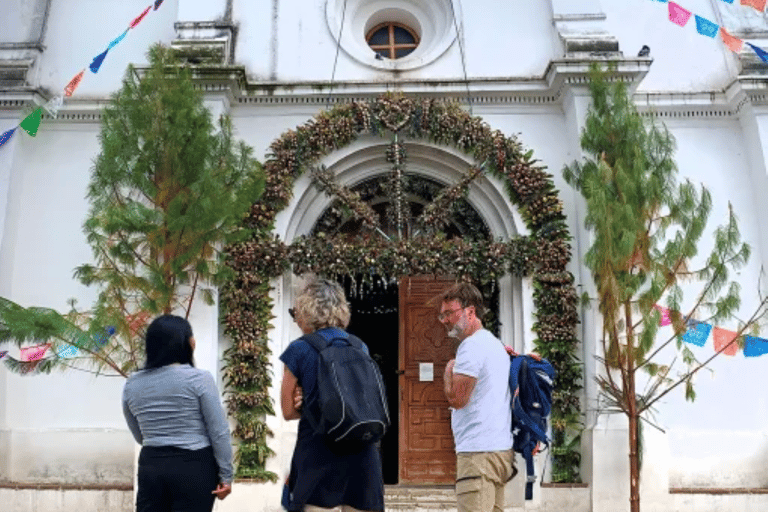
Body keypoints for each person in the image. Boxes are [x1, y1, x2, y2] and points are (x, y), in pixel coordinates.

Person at [280, 277, 384, 512]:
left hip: (318, 454)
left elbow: (287, 411)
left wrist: (305, 402)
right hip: (362, 452)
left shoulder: (298, 349)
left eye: (294, 312)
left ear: (306, 310)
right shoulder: (359, 346)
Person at [122, 315, 233, 512]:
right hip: (194, 466)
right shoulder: (199, 379)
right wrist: (226, 476)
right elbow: (219, 431)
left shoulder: (132, 383)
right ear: (188, 343)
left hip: (152, 464)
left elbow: (139, 434)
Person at [437, 283, 515, 512]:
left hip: (478, 453)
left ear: (470, 312)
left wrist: (448, 373)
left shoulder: (471, 347)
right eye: (442, 315)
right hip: (500, 451)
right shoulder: (494, 343)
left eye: (449, 313)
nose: (444, 320)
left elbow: (457, 399)